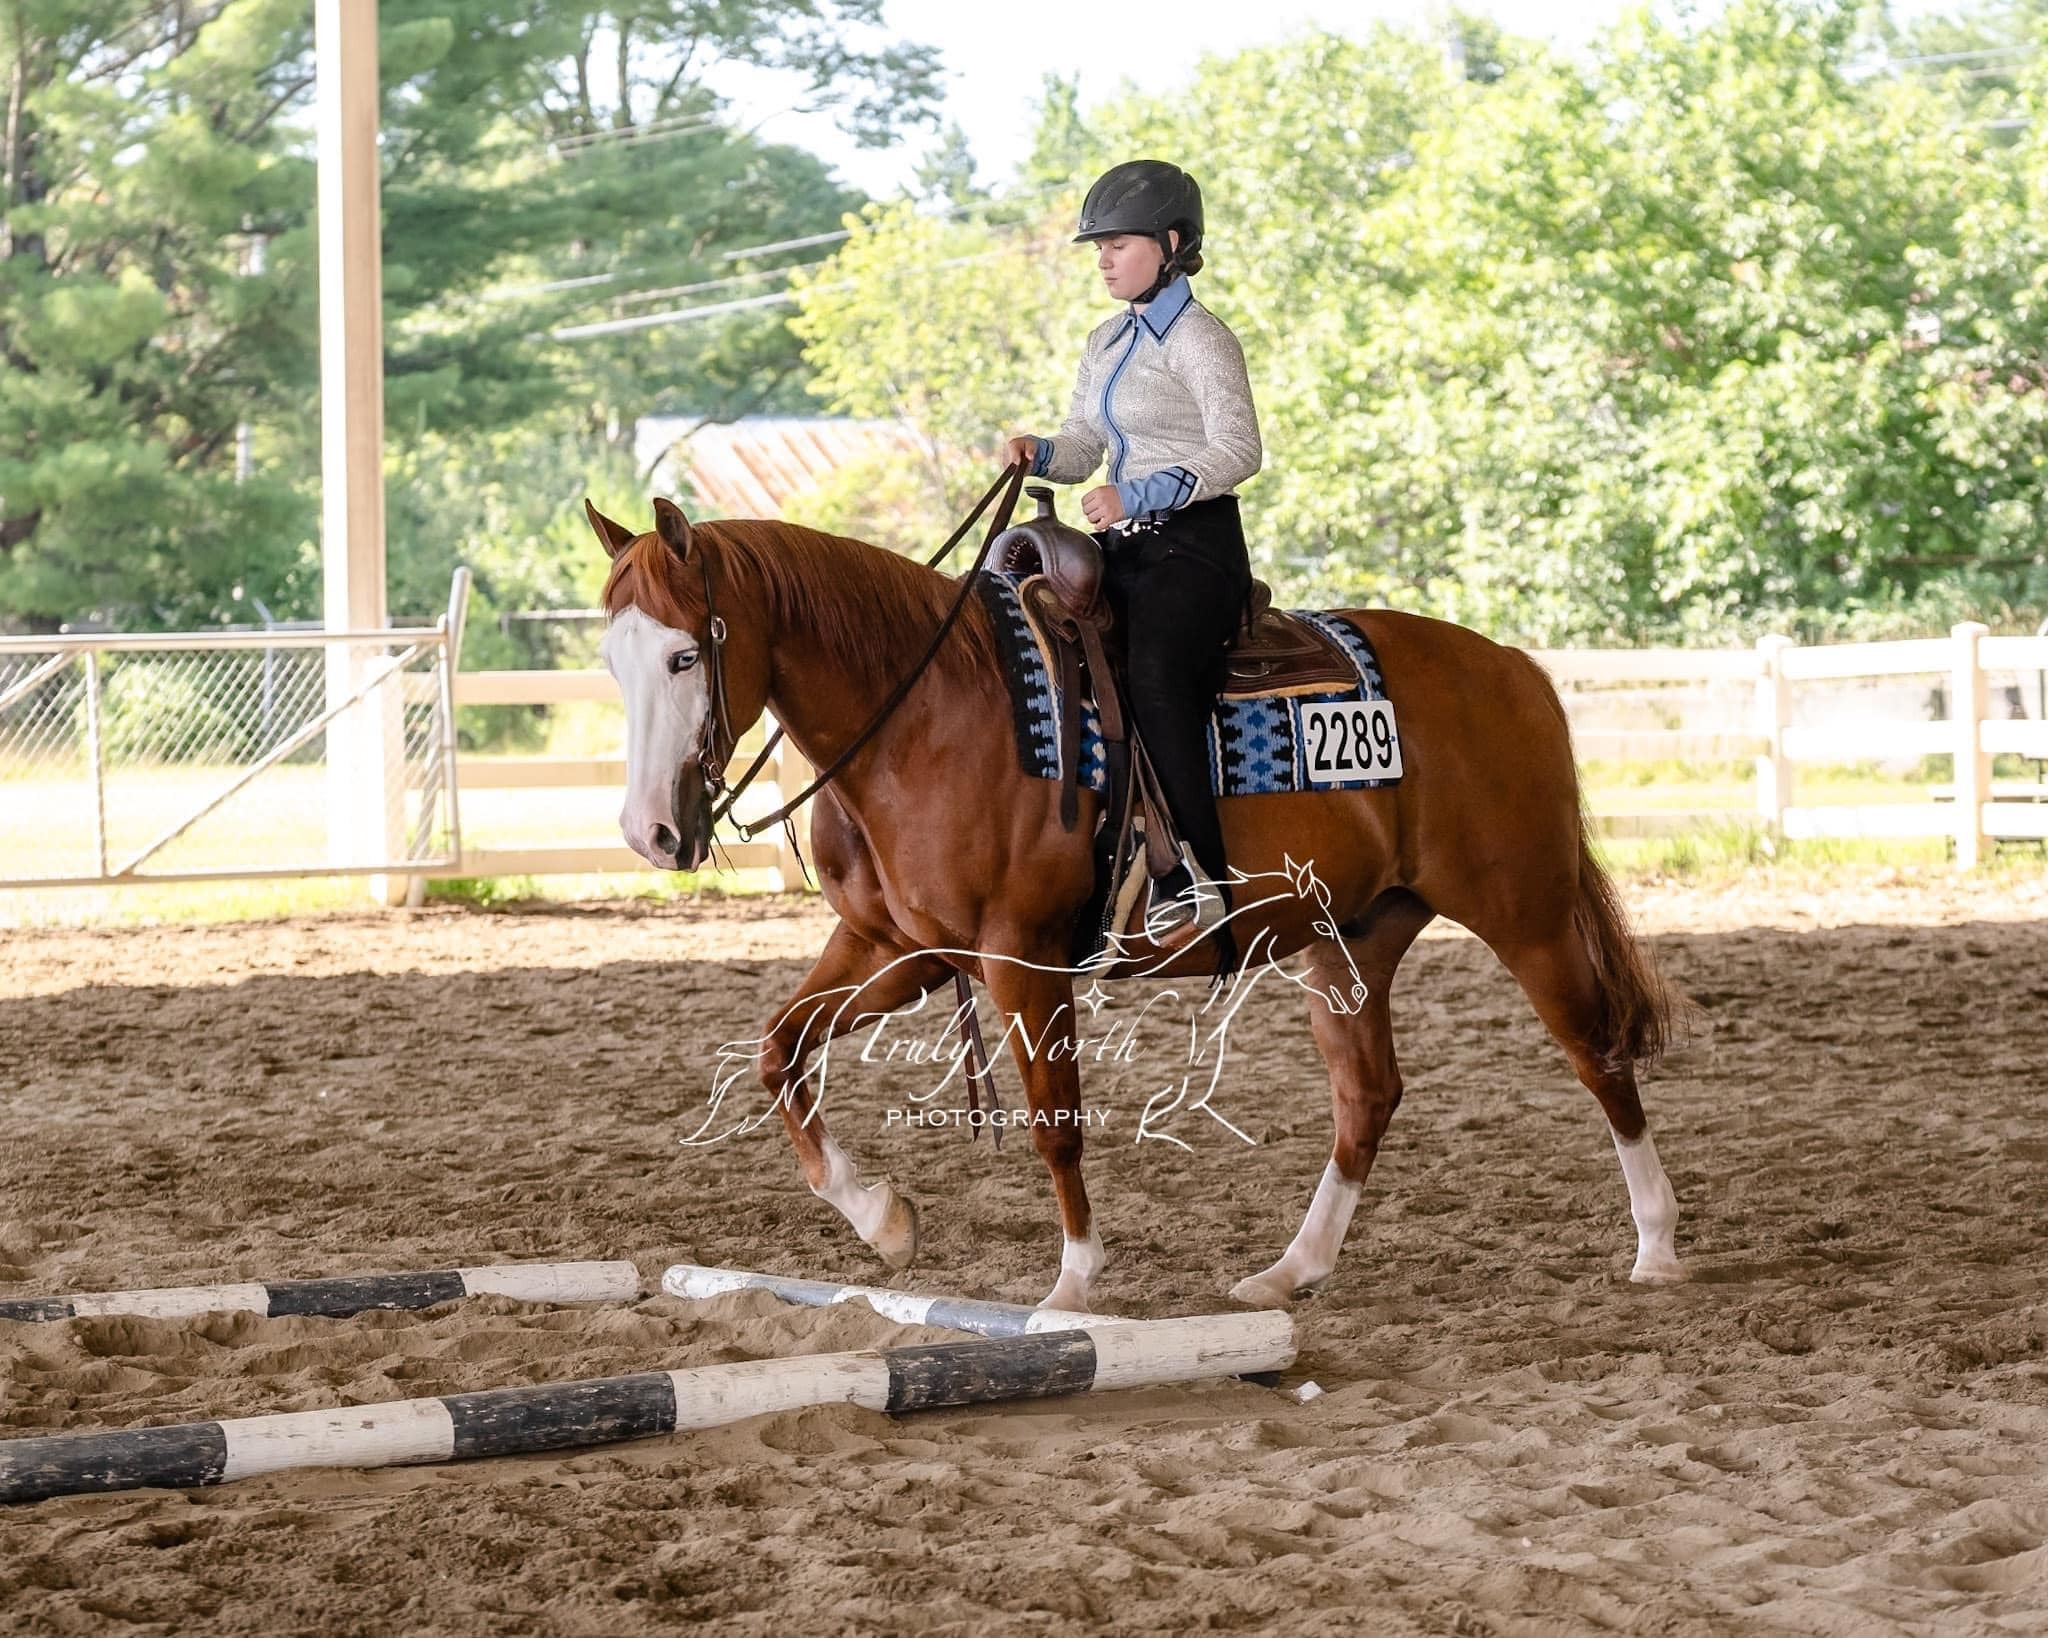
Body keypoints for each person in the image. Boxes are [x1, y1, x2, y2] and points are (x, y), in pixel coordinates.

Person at [1003, 159, 1262, 941]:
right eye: (1098, 247)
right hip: (1125, 549)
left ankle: (1197, 875)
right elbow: (1087, 443)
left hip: (1197, 549)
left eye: (1118, 243)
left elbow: (1240, 448)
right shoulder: (1107, 340)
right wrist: (1043, 452)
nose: (1104, 257)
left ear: (1172, 243)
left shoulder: (1202, 339)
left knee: (1151, 672)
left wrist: (1142, 493)